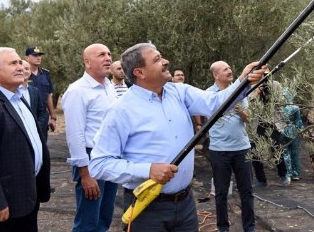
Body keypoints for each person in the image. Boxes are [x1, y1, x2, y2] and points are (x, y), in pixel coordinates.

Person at [89, 43, 266, 231]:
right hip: (146, 208)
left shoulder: (179, 92)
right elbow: (99, 164)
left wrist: (243, 80)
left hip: (185, 205)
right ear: (140, 72)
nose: (166, 62)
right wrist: (147, 170)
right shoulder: (121, 110)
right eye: (157, 59)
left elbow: (215, 103)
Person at [0, 47, 51, 232]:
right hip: (4, 209)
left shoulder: (19, 99)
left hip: (27, 199)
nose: (20, 68)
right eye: (13, 63)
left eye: (19, 62)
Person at [62, 44, 119, 232]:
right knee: (88, 221)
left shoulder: (109, 87)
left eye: (109, 54)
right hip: (91, 159)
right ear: (87, 62)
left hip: (110, 157)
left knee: (104, 216)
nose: (108, 58)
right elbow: (75, 134)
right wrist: (85, 174)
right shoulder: (77, 91)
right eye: (101, 54)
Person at [206, 61, 255, 232]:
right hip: (219, 150)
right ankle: (222, 227)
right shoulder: (208, 95)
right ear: (216, 75)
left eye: (230, 67)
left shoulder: (241, 92)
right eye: (225, 69)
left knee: (247, 191)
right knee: (221, 193)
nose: (230, 70)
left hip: (242, 148)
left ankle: (249, 228)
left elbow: (248, 118)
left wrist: (237, 106)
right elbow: (209, 114)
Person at [25, 46, 56, 132]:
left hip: (43, 116)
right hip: (28, 114)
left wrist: (53, 117)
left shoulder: (45, 74)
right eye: (35, 55)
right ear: (27, 58)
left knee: (43, 143)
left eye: (40, 55)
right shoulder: (23, 75)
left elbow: (49, 95)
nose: (38, 58)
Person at [20, 60, 49, 135]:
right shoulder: (12, 91)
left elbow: (41, 111)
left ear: (30, 71)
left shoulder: (34, 91)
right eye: (21, 69)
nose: (24, 71)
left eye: (27, 69)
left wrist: (37, 126)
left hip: (36, 132)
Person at [281, 89, 304, 181]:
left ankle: (288, 173)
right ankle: (296, 173)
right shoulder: (296, 108)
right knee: (295, 153)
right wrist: (301, 130)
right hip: (294, 131)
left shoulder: (281, 107)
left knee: (286, 153)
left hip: (283, 131)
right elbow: (298, 121)